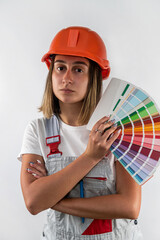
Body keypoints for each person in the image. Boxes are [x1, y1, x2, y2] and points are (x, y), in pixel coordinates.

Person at [19, 26, 143, 239]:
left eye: (78, 69)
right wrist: (90, 157)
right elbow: (32, 202)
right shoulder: (37, 130)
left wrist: (53, 198)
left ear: (94, 77)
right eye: (60, 68)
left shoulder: (118, 129)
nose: (66, 78)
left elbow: (129, 206)